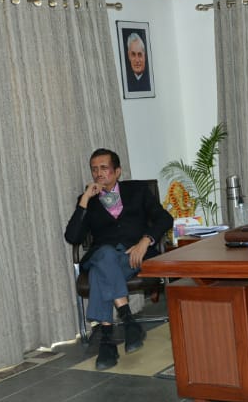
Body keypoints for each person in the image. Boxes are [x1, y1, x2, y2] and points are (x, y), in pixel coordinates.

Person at [65, 148, 173, 370]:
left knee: (99, 272)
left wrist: (146, 241)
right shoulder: (88, 201)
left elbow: (164, 218)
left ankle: (107, 340)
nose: (98, 174)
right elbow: (72, 236)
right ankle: (128, 321)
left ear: (117, 171)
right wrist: (85, 199)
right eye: (94, 169)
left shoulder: (138, 191)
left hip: (134, 256)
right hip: (105, 255)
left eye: (103, 168)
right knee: (104, 256)